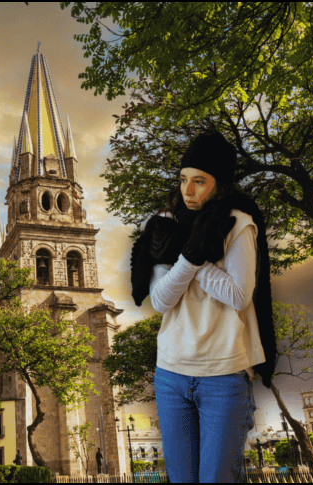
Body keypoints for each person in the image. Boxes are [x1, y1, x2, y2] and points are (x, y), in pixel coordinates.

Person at [130, 131, 277, 483]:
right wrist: (191, 251)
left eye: (200, 181)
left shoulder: (238, 225)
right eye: (183, 179)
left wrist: (192, 259)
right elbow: (163, 300)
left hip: (224, 374)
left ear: (219, 184)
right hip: (170, 373)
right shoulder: (166, 227)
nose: (188, 190)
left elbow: (240, 295)